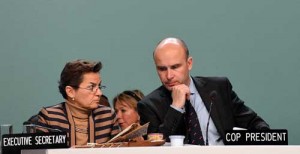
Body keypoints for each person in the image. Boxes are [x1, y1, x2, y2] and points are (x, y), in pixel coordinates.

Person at [137, 37, 269, 145]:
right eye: (162, 69)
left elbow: (255, 124)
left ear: (189, 63)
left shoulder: (218, 89)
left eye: (175, 67)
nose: (169, 75)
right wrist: (176, 107)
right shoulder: (148, 106)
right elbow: (155, 149)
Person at [35, 59, 120, 146]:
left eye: (99, 86)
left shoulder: (108, 116)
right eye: (91, 87)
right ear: (70, 92)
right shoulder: (49, 117)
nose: (99, 93)